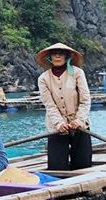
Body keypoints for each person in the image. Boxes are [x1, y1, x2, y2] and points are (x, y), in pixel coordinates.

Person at [36, 42, 92, 170]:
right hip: (56, 127)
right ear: (50, 57)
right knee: (56, 167)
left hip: (80, 126)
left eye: (60, 54)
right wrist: (59, 123)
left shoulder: (77, 73)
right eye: (54, 54)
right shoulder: (43, 79)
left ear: (67, 57)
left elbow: (85, 100)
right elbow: (49, 105)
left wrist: (79, 120)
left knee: (83, 165)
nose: (57, 56)